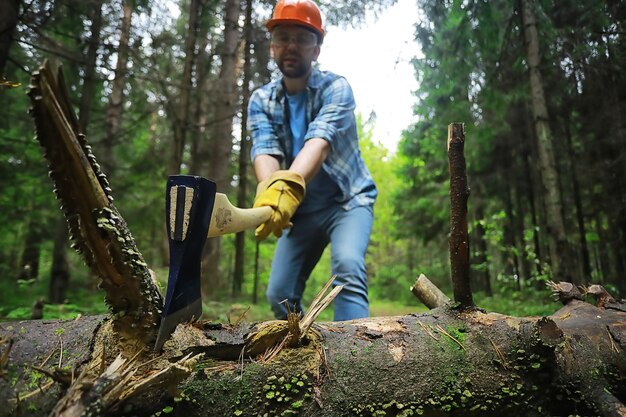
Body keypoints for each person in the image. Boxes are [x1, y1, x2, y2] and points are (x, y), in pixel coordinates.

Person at [248, 0, 377, 321]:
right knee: (279, 294)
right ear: (273, 47)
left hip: (347, 202)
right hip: (302, 211)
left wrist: (287, 185)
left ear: (317, 49)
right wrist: (271, 191)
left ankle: (356, 357)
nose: (291, 46)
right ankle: (302, 349)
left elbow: (320, 141)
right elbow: (265, 150)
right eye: (283, 37)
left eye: (303, 38)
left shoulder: (336, 88)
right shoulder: (261, 100)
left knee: (347, 266)